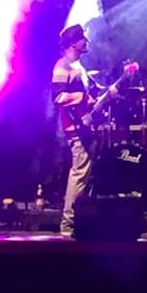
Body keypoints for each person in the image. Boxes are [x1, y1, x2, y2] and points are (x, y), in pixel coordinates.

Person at [51, 24, 116, 236]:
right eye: (83, 39)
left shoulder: (78, 66)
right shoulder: (63, 66)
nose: (86, 42)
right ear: (73, 43)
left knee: (84, 174)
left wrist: (105, 96)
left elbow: (88, 100)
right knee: (79, 174)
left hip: (84, 127)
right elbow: (58, 97)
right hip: (75, 128)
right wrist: (82, 98)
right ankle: (68, 224)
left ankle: (80, 220)